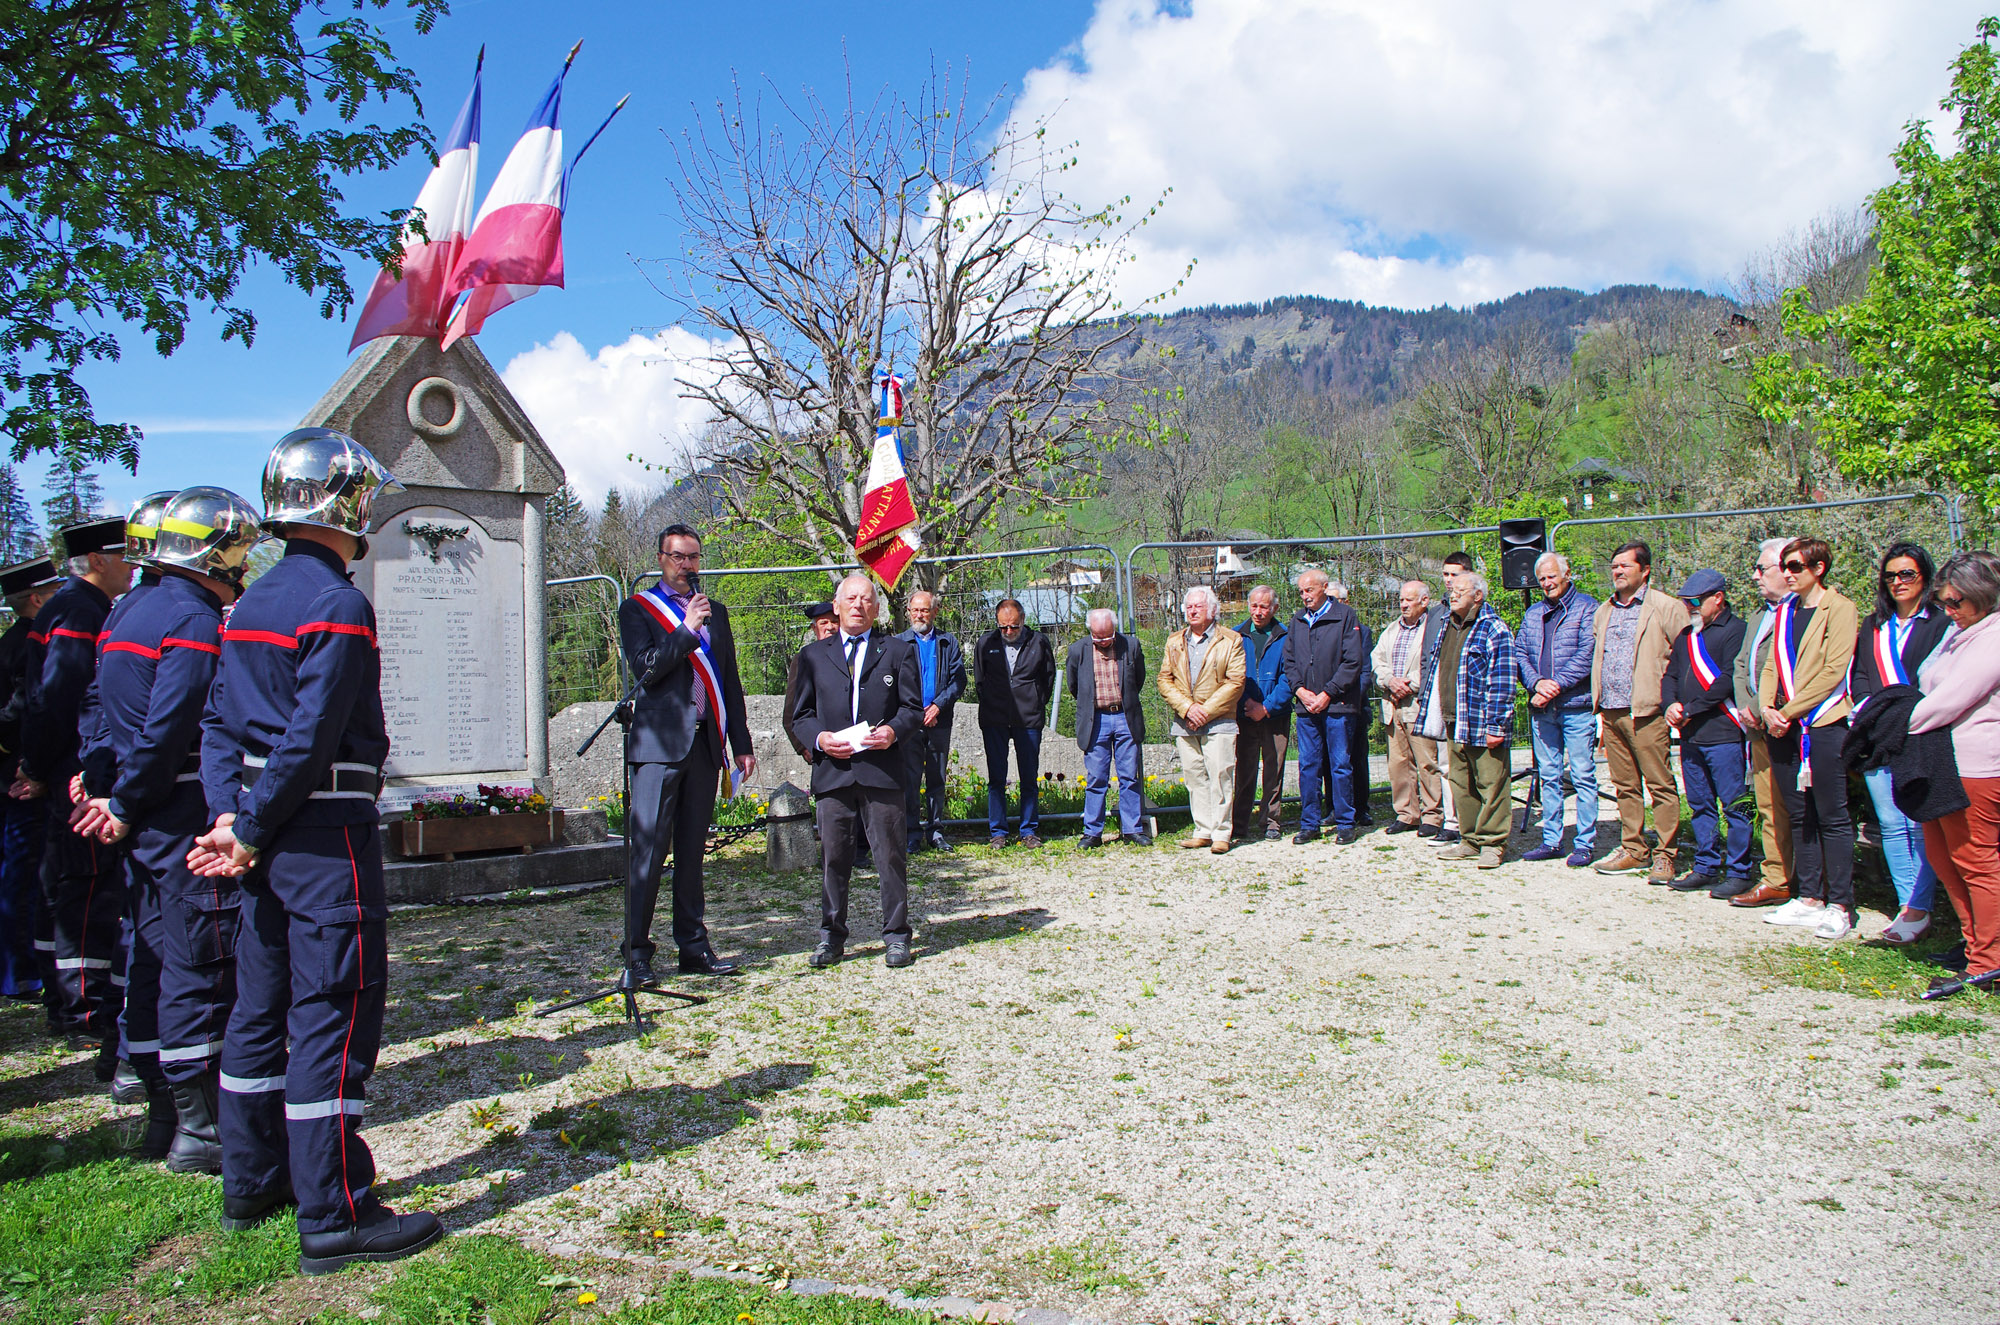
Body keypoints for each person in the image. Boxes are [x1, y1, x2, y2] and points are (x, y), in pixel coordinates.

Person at [191, 427, 440, 1270]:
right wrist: (254, 823)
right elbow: (313, 735)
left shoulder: (250, 601)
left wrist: (233, 820)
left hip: (261, 844)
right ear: (344, 506)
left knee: (259, 1014)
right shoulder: (337, 605)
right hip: (323, 840)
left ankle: (251, 1180)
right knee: (333, 1014)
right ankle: (335, 1213)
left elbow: (221, 724)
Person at [73, 488, 263, 1174]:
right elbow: (174, 724)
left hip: (142, 814)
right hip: (176, 812)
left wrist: (101, 783)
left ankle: (162, 1107)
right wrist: (124, 797)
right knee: (200, 964)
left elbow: (98, 709)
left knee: (153, 957)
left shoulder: (130, 611)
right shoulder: (190, 618)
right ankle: (201, 1127)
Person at [12, 516, 133, 1054]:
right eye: (124, 555)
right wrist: (40, 767)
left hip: (68, 764)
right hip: (77, 768)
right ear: (98, 561)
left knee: (65, 882)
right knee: (84, 888)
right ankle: (81, 1003)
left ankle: (67, 997)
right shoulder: (81, 610)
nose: (133, 565)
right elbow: (57, 695)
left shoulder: (74, 606)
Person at [617, 523, 755, 982]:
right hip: (658, 745)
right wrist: (685, 629)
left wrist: (742, 745)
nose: (687, 566)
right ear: (661, 559)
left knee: (693, 853)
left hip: (705, 744)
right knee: (648, 852)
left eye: (694, 557)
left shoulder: (717, 611)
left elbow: (729, 680)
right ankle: (637, 953)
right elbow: (646, 671)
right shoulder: (638, 610)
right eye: (678, 557)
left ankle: (693, 947)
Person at [789, 574, 921, 969]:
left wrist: (893, 732)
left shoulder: (898, 651)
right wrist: (820, 739)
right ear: (837, 605)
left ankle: (897, 936)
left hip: (882, 772)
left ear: (876, 609)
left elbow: (913, 708)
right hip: (833, 774)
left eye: (866, 599)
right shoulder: (813, 656)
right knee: (834, 859)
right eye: (851, 598)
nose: (858, 605)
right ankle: (831, 936)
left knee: (891, 858)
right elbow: (800, 715)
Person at [1757, 538, 1861, 940]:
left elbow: (1834, 670)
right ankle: (1810, 897)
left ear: (1818, 568)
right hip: (1783, 727)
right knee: (1800, 814)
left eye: (1796, 565)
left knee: (1832, 815)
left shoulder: (1841, 608)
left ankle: (1840, 904)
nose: (1787, 573)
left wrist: (1788, 711)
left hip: (1823, 723)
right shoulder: (1784, 611)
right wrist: (1769, 709)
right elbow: (1770, 666)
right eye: (1784, 565)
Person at [1908, 550, 2000, 988]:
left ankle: (1989, 959)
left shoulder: (1994, 634)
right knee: (1945, 859)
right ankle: (1975, 945)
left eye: (1956, 602)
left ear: (1984, 596)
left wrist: (1892, 727)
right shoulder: (1957, 632)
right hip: (1942, 761)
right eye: (1944, 602)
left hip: (1978, 765)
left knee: (1976, 860)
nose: (1948, 611)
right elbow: (1926, 679)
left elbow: (1950, 698)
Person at [1850, 542, 1949, 944]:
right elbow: (1860, 674)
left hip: (1921, 733)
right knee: (1890, 825)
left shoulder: (1940, 623)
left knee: (1920, 823)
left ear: (1924, 576)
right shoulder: (1875, 624)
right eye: (1890, 575)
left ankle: (1919, 907)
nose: (1897, 582)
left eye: (1906, 574)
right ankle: (1906, 904)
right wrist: (1866, 708)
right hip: (1880, 735)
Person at [1590, 540, 1684, 883]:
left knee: (1660, 784)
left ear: (1645, 570)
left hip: (1647, 711)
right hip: (1611, 712)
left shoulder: (1666, 607)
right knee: (1624, 785)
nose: (1617, 571)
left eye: (1625, 566)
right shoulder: (1604, 611)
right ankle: (1634, 849)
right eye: (1614, 566)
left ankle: (1666, 854)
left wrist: (1674, 700)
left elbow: (1684, 656)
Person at [1660, 570, 1751, 893]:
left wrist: (1691, 708)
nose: (1690, 607)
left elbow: (1727, 679)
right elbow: (1670, 675)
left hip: (1724, 732)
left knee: (1737, 805)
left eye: (1696, 601)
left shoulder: (1737, 631)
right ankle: (1706, 865)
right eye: (1686, 601)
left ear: (1718, 598)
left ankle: (1740, 870)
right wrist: (1669, 704)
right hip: (1691, 735)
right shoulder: (1687, 636)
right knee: (1700, 805)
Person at [1419, 572, 1515, 869]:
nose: (1453, 594)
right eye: (1452, 590)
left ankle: (1493, 843)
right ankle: (1470, 839)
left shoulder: (1494, 628)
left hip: (1482, 720)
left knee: (1491, 782)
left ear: (1478, 595)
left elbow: (1503, 681)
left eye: (1461, 590)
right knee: (1461, 782)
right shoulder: (1447, 625)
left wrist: (1497, 724)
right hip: (1453, 719)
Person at [0, 556, 59, 1005]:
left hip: (14, 771)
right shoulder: (28, 644)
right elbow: (23, 709)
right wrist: (26, 763)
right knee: (24, 873)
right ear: (36, 599)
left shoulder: (13, 640)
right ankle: (20, 973)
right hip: (19, 776)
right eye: (54, 592)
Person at [1515, 553, 1600, 866]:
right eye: (1542, 579)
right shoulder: (1533, 613)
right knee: (1549, 775)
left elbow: (1587, 653)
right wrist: (1537, 684)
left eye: (1552, 576)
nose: (1547, 583)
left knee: (1582, 775)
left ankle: (1585, 843)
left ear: (1567, 575)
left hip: (1576, 706)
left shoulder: (1588, 608)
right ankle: (1551, 840)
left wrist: (1556, 686)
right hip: (1542, 709)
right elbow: (1520, 652)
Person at [1728, 539, 1797, 907]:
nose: (1755, 576)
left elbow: (1796, 669)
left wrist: (1762, 705)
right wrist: (1746, 707)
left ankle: (1809, 881)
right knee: (1769, 805)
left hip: (1789, 724)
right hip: (1757, 726)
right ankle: (1777, 876)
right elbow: (1742, 665)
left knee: (1797, 805)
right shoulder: (1760, 616)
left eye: (1762, 569)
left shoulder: (1803, 613)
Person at [1158, 585, 1246, 854]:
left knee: (1221, 775)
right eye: (1189, 606)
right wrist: (1187, 708)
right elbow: (1165, 679)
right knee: (1195, 777)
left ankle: (1222, 833)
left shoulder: (1231, 640)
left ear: (1213, 610)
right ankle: (1203, 830)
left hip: (1219, 720)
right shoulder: (1175, 641)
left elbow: (1236, 681)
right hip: (1185, 722)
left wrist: (1205, 711)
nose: (1192, 610)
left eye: (1198, 606)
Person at [1283, 568, 1364, 845]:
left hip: (1338, 706)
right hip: (1307, 708)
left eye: (1310, 590)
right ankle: (1310, 824)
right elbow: (1289, 662)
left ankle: (1344, 822)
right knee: (1308, 766)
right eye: (1302, 591)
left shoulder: (1344, 616)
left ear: (1324, 588)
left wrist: (1328, 693)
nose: (1305, 596)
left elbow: (1352, 661)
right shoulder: (1297, 620)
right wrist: (1301, 691)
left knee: (1340, 765)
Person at [973, 599, 1054, 849]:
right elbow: (979, 679)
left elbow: (1048, 678)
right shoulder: (986, 643)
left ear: (1023, 621)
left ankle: (1028, 830)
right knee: (996, 777)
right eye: (1003, 627)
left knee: (1028, 776)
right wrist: (993, 701)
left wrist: (1035, 702)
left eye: (1014, 627)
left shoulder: (1039, 642)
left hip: (1028, 719)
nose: (1008, 632)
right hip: (994, 718)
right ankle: (997, 831)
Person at [1068, 608, 1148, 848]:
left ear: (1115, 629)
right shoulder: (1077, 650)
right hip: (1096, 720)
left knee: (1129, 777)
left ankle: (1132, 829)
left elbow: (1138, 680)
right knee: (1096, 778)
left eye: (1107, 636)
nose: (1102, 641)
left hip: (1125, 717)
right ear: (1090, 631)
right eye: (1097, 637)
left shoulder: (1131, 646)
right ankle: (1092, 832)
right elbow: (1075, 686)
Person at [1372, 580, 1443, 835]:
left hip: (1417, 704)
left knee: (1426, 762)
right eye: (1401, 599)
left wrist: (1409, 685)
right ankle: (1406, 813)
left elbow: (1432, 662)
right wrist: (1389, 680)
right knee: (1398, 763)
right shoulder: (1391, 629)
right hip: (1392, 704)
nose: (1403, 604)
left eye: (1409, 600)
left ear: (1424, 601)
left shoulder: (1433, 628)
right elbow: (1377, 660)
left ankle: (1432, 815)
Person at [897, 590, 964, 854]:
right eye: (915, 610)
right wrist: (915, 713)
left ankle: (935, 831)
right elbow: (894, 685)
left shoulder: (948, 642)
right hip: (910, 724)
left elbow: (959, 681)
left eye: (925, 610)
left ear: (935, 612)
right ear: (909, 612)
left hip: (939, 722)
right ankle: (911, 833)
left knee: (936, 779)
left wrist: (937, 706)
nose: (919, 615)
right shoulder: (899, 643)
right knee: (910, 780)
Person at [1416, 551, 1476, 844]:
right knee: (1446, 764)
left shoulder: (1480, 609)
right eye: (1445, 575)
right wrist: (1426, 695)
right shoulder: (1437, 613)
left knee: (1473, 763)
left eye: (1455, 574)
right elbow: (1429, 658)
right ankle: (1452, 822)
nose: (1449, 580)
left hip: (1470, 699)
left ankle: (1475, 822)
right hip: (1442, 699)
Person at [1230, 585, 1291, 843]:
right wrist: (1248, 705)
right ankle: (1239, 824)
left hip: (1275, 715)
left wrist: (1266, 707)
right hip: (1244, 715)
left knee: (1273, 770)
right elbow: (1230, 675)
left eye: (1264, 606)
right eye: (1254, 606)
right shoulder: (1235, 636)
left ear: (1274, 608)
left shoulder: (1286, 636)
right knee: (1244, 771)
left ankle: (1271, 820)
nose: (1258, 611)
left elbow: (1290, 677)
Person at [1331, 582, 1375, 825]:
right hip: (1328, 705)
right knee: (1330, 761)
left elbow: (1364, 671)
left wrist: (1348, 698)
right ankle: (1333, 808)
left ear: (1345, 603)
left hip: (1353, 704)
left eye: (1335, 600)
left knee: (1355, 759)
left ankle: (1360, 807)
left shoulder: (1361, 631)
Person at [782, 602, 839, 761]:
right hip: (822, 746)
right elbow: (791, 710)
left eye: (835, 622)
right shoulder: (805, 659)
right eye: (823, 623)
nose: (830, 627)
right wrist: (803, 746)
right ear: (815, 629)